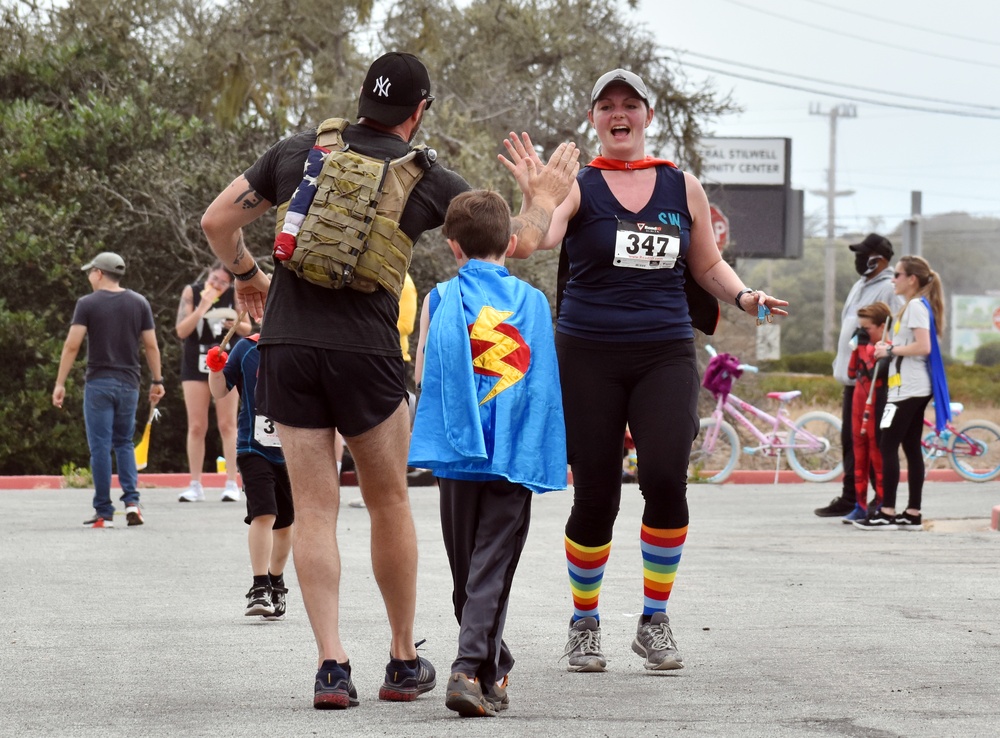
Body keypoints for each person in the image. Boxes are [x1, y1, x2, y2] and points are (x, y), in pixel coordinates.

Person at [199, 51, 579, 709]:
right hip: (368, 355)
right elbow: (512, 241)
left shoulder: (299, 152)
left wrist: (246, 274)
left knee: (314, 509)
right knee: (388, 503)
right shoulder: (428, 177)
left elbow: (216, 222)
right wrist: (539, 199)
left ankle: (331, 664)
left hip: (288, 346)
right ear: (419, 110)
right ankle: (403, 661)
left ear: (361, 101)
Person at [498, 68, 788, 673]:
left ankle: (654, 620)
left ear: (648, 118)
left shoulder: (682, 187)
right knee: (597, 493)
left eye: (631, 104)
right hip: (588, 355)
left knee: (664, 479)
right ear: (594, 120)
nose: (619, 113)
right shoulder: (579, 186)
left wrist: (744, 297)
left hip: (664, 352)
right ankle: (584, 622)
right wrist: (538, 198)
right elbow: (530, 244)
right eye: (607, 105)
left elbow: (708, 264)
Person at [408, 190, 567, 718]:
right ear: (512, 242)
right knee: (491, 569)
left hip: (457, 451)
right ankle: (468, 668)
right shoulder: (535, 304)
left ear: (453, 247)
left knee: (467, 573)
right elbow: (543, 385)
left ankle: (489, 670)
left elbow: (421, 375)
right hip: (511, 455)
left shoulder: (437, 299)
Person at [52, 252, 165, 528]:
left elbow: (72, 345)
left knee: (100, 447)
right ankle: (133, 503)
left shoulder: (87, 304)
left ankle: (103, 511)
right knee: (124, 442)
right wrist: (157, 380)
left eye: (90, 272)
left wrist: (59, 382)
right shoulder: (139, 303)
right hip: (130, 383)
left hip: (99, 383)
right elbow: (151, 345)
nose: (89, 276)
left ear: (99, 273)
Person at [855, 256, 949, 531]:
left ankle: (887, 511)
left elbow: (924, 346)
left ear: (912, 279)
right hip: (908, 388)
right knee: (909, 447)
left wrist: (890, 350)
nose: (893, 279)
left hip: (907, 390)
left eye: (897, 274)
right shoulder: (914, 307)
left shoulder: (916, 307)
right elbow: (913, 343)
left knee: (886, 445)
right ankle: (912, 512)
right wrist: (892, 345)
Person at [205, 326, 294, 620]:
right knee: (263, 514)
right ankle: (259, 587)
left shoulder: (301, 345)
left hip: (293, 451)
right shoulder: (245, 349)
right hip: (252, 447)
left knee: (284, 526)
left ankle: (275, 579)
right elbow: (219, 391)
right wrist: (215, 368)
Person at [815, 233, 898, 518]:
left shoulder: (888, 288)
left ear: (881, 258)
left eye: (863, 254)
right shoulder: (859, 285)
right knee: (850, 441)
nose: (858, 259)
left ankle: (877, 500)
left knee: (871, 441)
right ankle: (852, 497)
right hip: (851, 379)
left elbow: (891, 333)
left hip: (871, 379)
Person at [175, 261, 251, 503]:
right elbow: (181, 330)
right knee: (196, 425)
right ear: (208, 275)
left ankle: (231, 482)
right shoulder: (192, 292)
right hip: (195, 362)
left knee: (227, 424)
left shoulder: (234, 295)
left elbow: (248, 326)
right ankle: (195, 484)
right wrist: (202, 308)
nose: (217, 284)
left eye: (223, 281)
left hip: (224, 362)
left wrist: (234, 324)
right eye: (214, 279)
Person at [843, 301, 892, 523]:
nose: (863, 332)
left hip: (875, 408)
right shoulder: (863, 346)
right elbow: (852, 373)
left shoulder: (887, 348)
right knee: (859, 457)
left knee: (877, 456)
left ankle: (881, 503)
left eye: (867, 328)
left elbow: (875, 374)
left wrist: (864, 348)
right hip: (857, 405)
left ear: (881, 327)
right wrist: (856, 346)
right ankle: (860, 505)